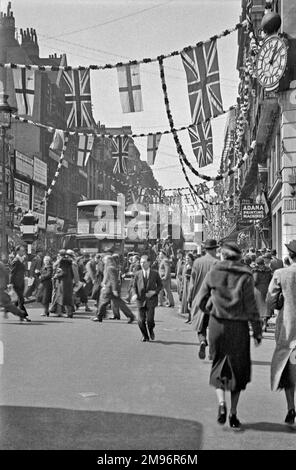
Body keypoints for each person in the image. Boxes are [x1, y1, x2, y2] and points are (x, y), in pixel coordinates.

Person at [194, 241, 262, 429]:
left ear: (222, 255)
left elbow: (200, 301)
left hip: (217, 325)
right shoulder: (246, 276)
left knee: (218, 364)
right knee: (238, 369)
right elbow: (251, 306)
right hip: (239, 328)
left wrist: (211, 308)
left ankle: (221, 404)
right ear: (239, 257)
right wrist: (257, 331)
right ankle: (233, 413)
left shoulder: (213, 273)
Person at [267, 240, 296, 425]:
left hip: (289, 328)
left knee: (288, 371)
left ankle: (291, 407)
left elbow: (270, 299)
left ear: (289, 255)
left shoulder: (281, 273)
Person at [188, 239, 218, 360]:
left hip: (200, 299)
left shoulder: (197, 262)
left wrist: (190, 299)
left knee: (201, 326)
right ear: (215, 249)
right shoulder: (218, 263)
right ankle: (213, 351)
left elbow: (192, 284)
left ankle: (202, 341)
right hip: (215, 300)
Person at [91, 256, 135, 323]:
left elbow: (113, 279)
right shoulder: (113, 267)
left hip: (109, 288)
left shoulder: (110, 268)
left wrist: (114, 290)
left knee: (102, 302)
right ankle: (130, 316)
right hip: (111, 288)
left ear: (108, 261)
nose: (104, 262)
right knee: (120, 303)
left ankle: (99, 316)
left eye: (105, 260)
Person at [132, 254, 163, 342]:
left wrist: (154, 292)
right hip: (140, 300)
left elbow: (160, 285)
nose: (142, 264)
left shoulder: (155, 273)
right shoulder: (137, 274)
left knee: (150, 320)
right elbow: (133, 286)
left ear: (149, 263)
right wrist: (134, 294)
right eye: (141, 262)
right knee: (140, 321)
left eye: (144, 262)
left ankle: (151, 330)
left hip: (151, 300)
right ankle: (145, 335)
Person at [10, 245, 31, 321]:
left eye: (24, 250)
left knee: (18, 300)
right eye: (22, 250)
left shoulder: (22, 259)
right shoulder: (15, 261)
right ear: (18, 251)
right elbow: (12, 273)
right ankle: (23, 316)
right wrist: (11, 284)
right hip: (16, 283)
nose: (24, 252)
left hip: (21, 282)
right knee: (21, 299)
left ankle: (12, 308)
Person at [252, 256, 272, 332]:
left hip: (258, 290)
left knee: (259, 307)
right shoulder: (268, 270)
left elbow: (255, 281)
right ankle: (265, 324)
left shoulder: (255, 270)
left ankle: (261, 324)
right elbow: (271, 280)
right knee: (266, 307)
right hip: (267, 289)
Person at [180, 252, 194, 323]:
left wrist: (190, 276)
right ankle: (189, 317)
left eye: (188, 258)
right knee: (187, 301)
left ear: (192, 259)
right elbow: (183, 276)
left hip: (191, 285)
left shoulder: (194, 266)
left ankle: (192, 318)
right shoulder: (185, 266)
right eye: (186, 258)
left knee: (191, 301)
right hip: (186, 285)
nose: (187, 260)